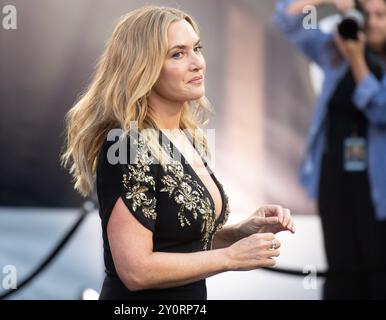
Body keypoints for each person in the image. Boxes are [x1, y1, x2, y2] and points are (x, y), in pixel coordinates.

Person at [62, 6, 295, 300]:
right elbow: (136, 270)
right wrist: (231, 258)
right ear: (143, 67)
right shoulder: (129, 145)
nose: (197, 62)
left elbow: (178, 243)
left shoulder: (187, 138)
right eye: (178, 54)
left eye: (197, 48)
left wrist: (240, 233)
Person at [274, 0, 386, 299]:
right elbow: (286, 22)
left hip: (377, 189)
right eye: (366, 15)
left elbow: (381, 111)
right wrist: (327, 1)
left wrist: (359, 60)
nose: (372, 23)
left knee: (376, 269)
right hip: (335, 179)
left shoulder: (354, 56)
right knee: (340, 266)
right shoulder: (336, 54)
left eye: (381, 15)